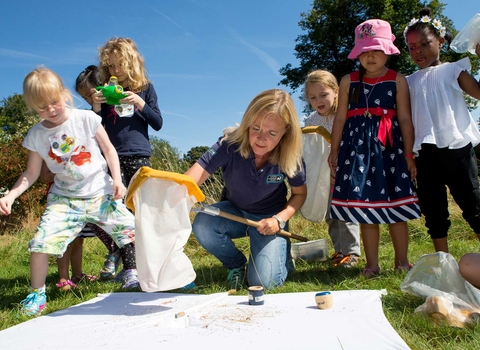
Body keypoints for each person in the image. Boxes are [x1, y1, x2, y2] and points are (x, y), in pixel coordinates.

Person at [0, 67, 138, 316]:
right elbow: (31, 173)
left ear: (64, 95)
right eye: (42, 108)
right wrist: (11, 195)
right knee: (40, 243)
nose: (51, 110)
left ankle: (149, 273)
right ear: (33, 107)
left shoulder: (86, 118)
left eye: (54, 102)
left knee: (134, 230)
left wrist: (118, 180)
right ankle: (36, 295)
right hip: (64, 199)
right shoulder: (36, 135)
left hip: (101, 193)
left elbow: (109, 150)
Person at [185, 89, 306, 290]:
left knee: (263, 283)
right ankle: (235, 264)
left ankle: (281, 256)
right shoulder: (229, 144)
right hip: (234, 212)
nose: (260, 138)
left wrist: (279, 220)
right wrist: (175, 198)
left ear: (286, 131)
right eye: (255, 128)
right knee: (203, 224)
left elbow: (300, 194)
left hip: (270, 218)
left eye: (272, 133)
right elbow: (192, 179)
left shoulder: (291, 154)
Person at [327, 19, 421, 279]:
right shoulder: (347, 81)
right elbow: (340, 119)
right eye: (365, 50)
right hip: (357, 152)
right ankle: (372, 265)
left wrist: (409, 153)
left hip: (390, 150)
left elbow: (404, 119)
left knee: (396, 210)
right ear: (358, 53)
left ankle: (402, 262)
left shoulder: (398, 81)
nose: (370, 56)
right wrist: (334, 151)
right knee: (366, 210)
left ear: (388, 50)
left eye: (376, 49)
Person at [404, 7, 480, 253]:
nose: (418, 51)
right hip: (424, 153)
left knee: (473, 203)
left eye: (424, 44)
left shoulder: (454, 70)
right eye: (412, 47)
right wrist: (409, 155)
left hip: (457, 148)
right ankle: (443, 262)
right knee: (433, 209)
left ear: (440, 40)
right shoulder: (407, 82)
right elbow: (404, 120)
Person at [303, 70, 361, 268]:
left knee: (345, 213)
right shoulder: (311, 121)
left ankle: (352, 253)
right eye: (312, 97)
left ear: (336, 91)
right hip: (323, 175)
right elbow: (309, 149)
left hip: (345, 172)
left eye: (323, 94)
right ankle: (339, 251)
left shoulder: (345, 114)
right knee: (331, 215)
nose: (318, 100)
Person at [93, 37, 163, 189]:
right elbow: (96, 126)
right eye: (111, 66)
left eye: (121, 65)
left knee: (140, 201)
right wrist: (97, 105)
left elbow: (158, 123)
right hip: (112, 155)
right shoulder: (106, 91)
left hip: (139, 154)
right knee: (116, 202)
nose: (116, 70)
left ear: (132, 63)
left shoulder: (145, 88)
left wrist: (139, 102)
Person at [75, 65, 123, 280]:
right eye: (84, 97)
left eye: (90, 93)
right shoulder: (89, 114)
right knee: (96, 217)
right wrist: (94, 106)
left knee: (122, 216)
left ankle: (125, 256)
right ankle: (114, 250)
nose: (88, 99)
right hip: (99, 172)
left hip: (122, 164)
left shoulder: (117, 103)